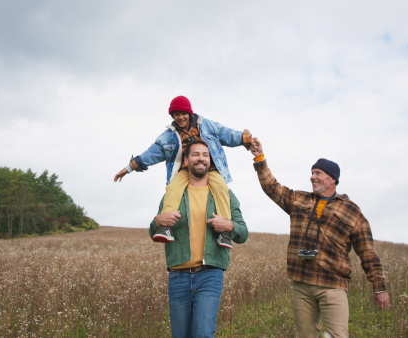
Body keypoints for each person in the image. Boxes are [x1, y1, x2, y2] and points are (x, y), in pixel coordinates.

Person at [249, 137, 390, 338]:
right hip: (302, 284)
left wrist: (379, 288)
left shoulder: (351, 211)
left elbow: (368, 253)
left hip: (333, 285)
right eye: (312, 173)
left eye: (318, 173)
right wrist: (259, 157)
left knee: (338, 335)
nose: (312, 177)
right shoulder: (299, 200)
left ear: (332, 179)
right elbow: (272, 187)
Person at [115, 95, 251, 248]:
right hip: (185, 171)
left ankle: (224, 233)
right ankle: (166, 228)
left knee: (221, 189)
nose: (180, 117)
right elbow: (151, 153)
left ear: (190, 114)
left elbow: (225, 133)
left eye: (183, 114)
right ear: (172, 116)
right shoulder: (168, 137)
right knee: (172, 189)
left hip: (210, 169)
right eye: (176, 114)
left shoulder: (206, 125)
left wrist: (246, 139)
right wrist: (128, 168)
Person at [150, 139, 248, 338]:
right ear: (186, 160)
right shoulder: (172, 194)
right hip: (178, 275)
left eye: (205, 155)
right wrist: (157, 221)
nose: (201, 158)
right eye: (195, 154)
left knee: (202, 334)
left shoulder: (224, 194)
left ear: (210, 161)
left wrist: (229, 225)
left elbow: (243, 233)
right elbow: (154, 232)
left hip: (210, 273)